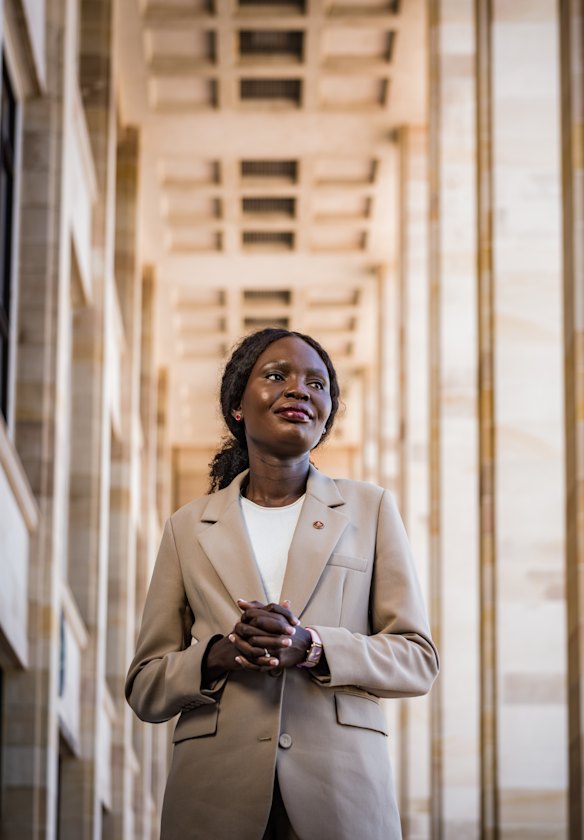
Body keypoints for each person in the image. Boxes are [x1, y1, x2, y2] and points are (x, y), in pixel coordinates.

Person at [125, 327, 439, 840]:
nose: (300, 391)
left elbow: (418, 660)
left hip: (341, 799)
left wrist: (315, 647)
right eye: (277, 376)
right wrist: (219, 655)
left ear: (326, 416)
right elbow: (144, 687)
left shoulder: (371, 509)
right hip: (213, 799)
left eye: (318, 385)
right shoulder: (187, 527)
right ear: (237, 407)